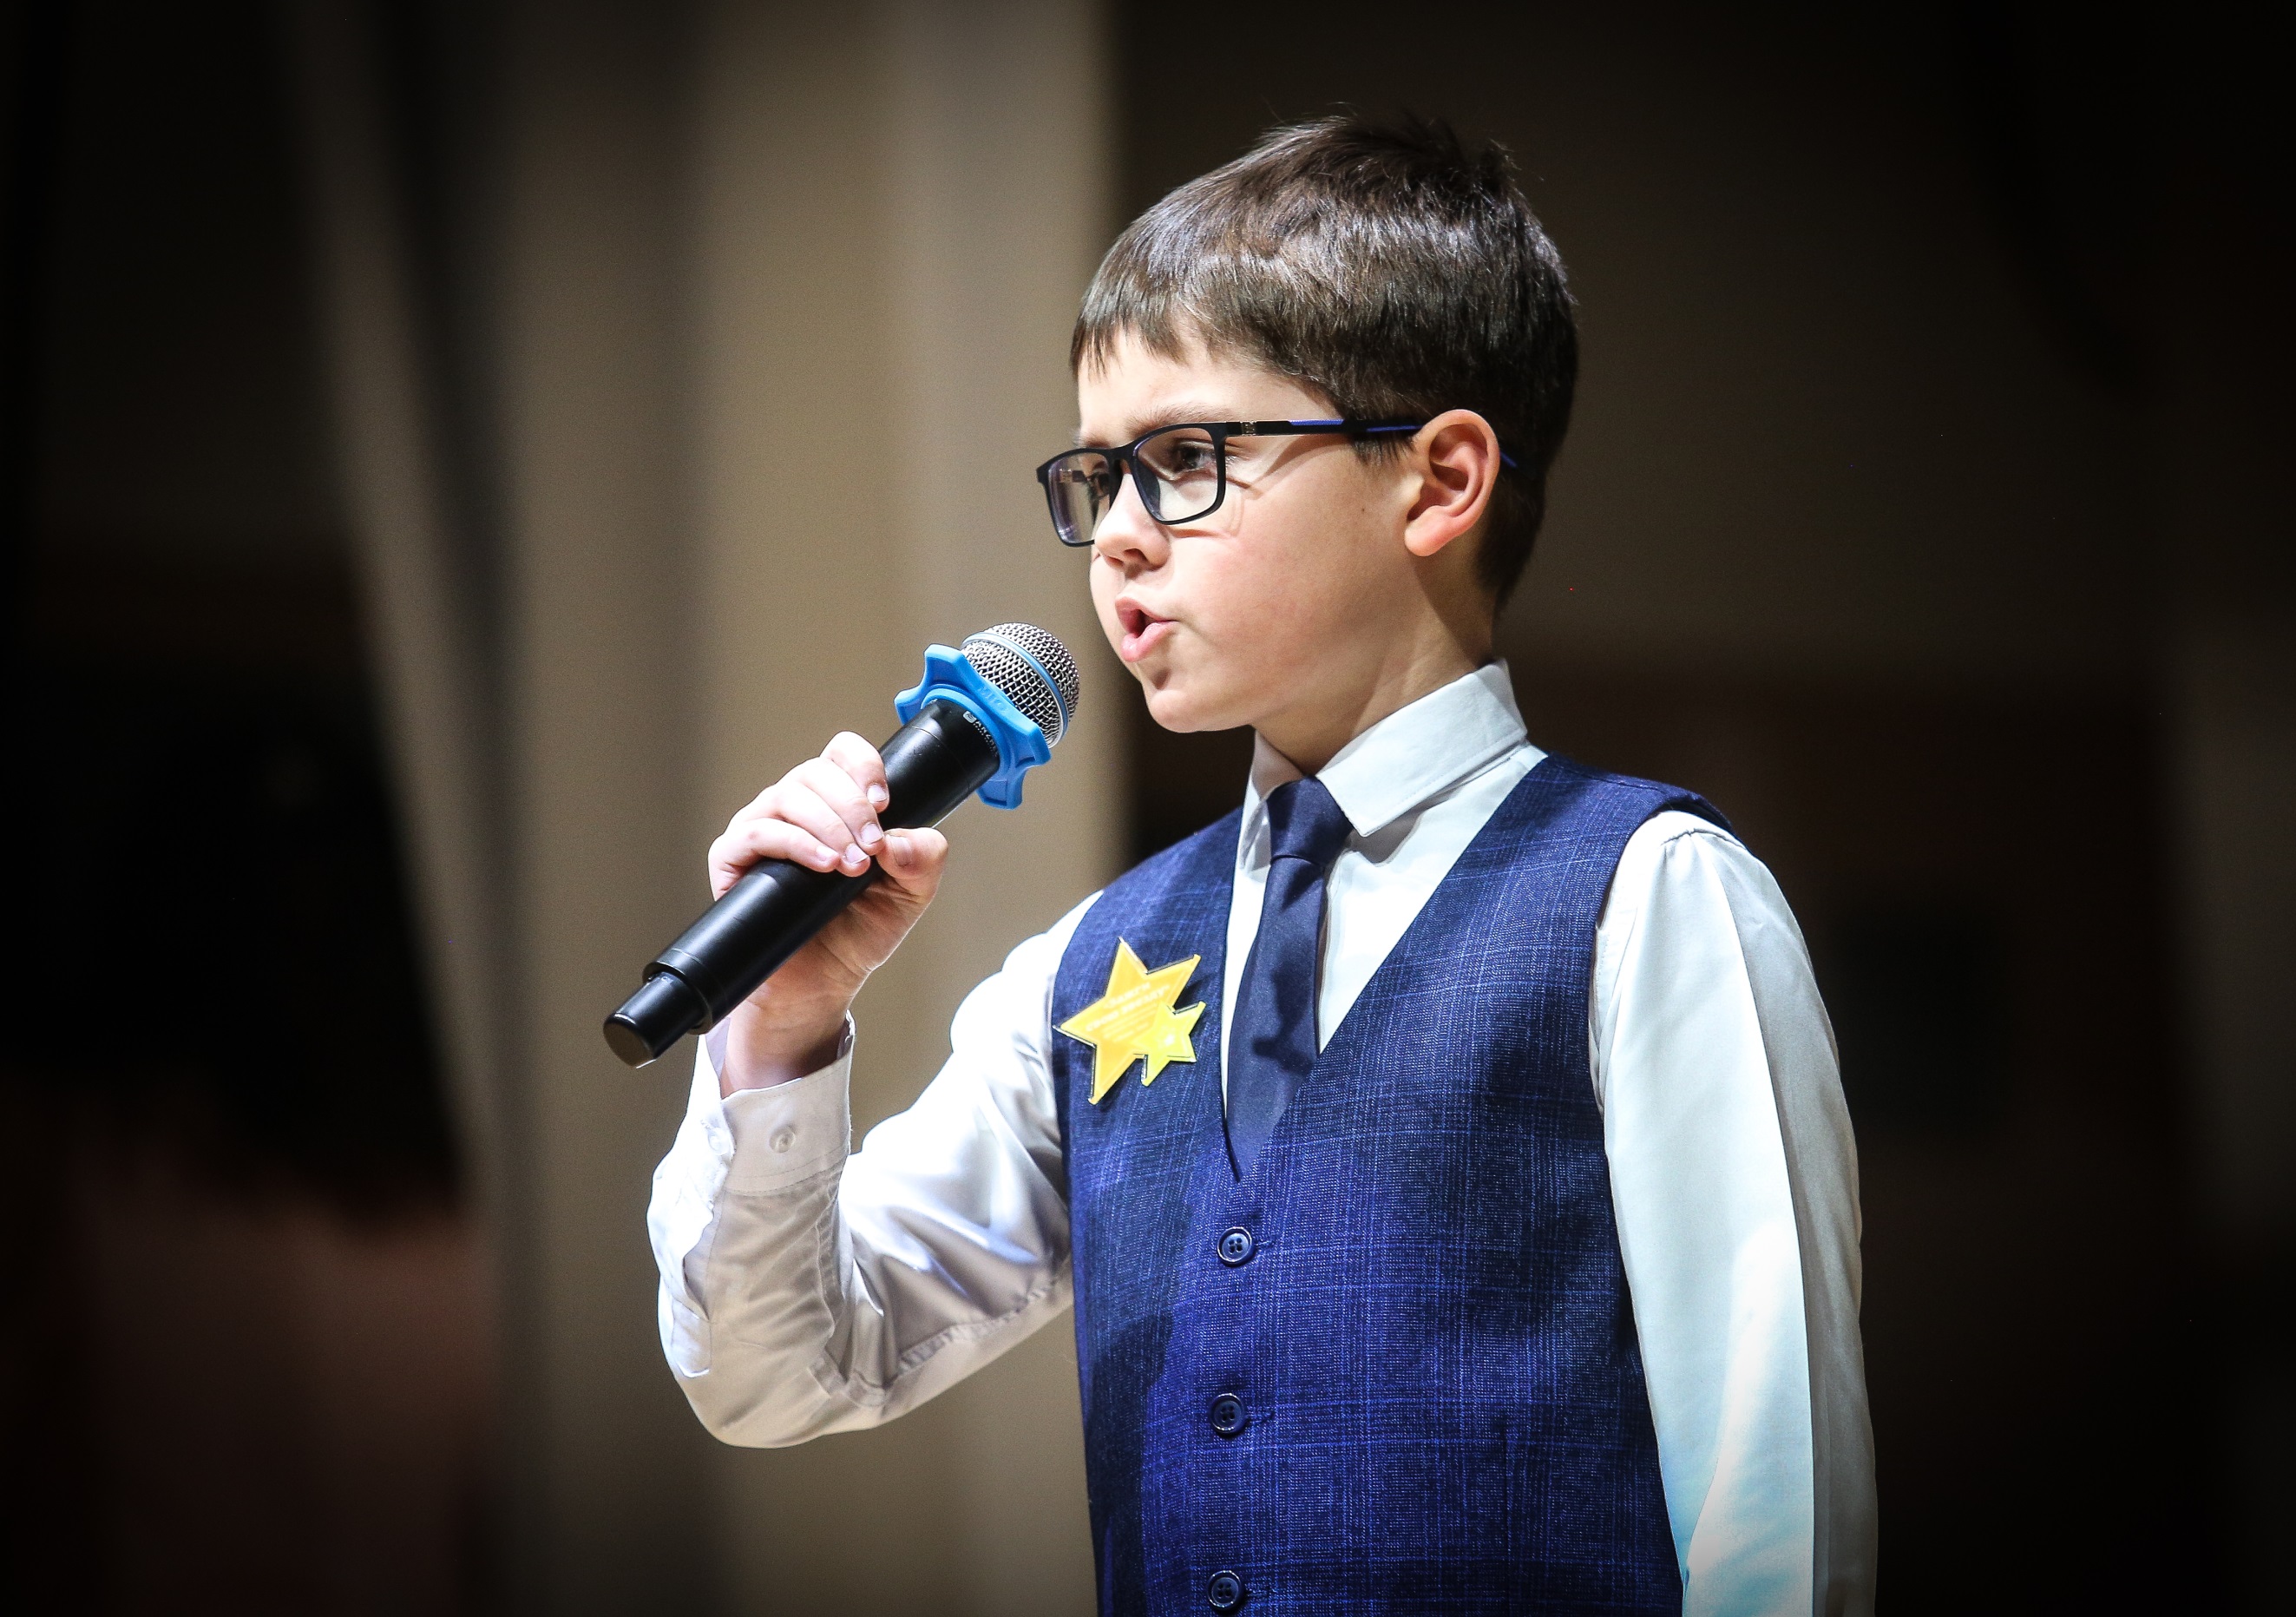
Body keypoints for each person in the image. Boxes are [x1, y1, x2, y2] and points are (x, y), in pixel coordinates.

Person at [648, 115, 1873, 1616]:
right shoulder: (1097, 959)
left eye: (1183, 461)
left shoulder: (1643, 895)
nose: (1118, 539)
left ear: (1437, 480)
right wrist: (777, 1036)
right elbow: (775, 1374)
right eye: (1097, 479)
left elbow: (1771, 1510)